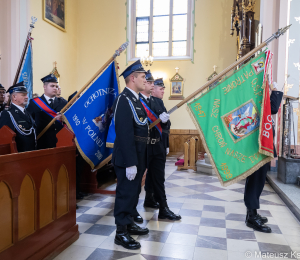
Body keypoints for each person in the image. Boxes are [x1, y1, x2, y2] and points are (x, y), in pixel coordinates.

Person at [112, 60, 149, 250]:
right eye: (143, 77)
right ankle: (121, 233)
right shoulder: (123, 99)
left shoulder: (136, 99)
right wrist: (130, 163)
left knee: (134, 193)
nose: (146, 79)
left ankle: (129, 223)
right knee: (125, 193)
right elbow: (124, 132)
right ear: (132, 78)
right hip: (129, 158)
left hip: (138, 155)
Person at [244, 82, 283, 233]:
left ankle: (252, 213)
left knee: (258, 181)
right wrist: (277, 91)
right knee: (255, 181)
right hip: (257, 146)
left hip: (261, 145)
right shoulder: (255, 96)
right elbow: (272, 108)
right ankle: (251, 217)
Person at [141, 77, 180, 220]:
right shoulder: (137, 101)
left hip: (157, 145)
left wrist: (164, 121)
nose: (151, 86)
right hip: (144, 147)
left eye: (152, 84)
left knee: (158, 178)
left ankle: (164, 208)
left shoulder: (157, 102)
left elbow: (166, 125)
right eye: (149, 83)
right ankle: (131, 211)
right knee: (139, 178)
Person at [27, 74, 67, 149]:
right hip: (42, 141)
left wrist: (64, 119)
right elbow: (29, 122)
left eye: (56, 86)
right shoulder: (35, 103)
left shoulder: (63, 103)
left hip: (60, 140)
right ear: (44, 87)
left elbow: (70, 121)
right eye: (52, 86)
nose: (55, 88)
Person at [0, 82, 36, 152]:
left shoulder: (27, 113)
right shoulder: (7, 114)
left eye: (26, 94)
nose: (27, 97)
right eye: (23, 95)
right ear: (14, 97)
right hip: (18, 154)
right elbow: (6, 138)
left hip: (31, 152)